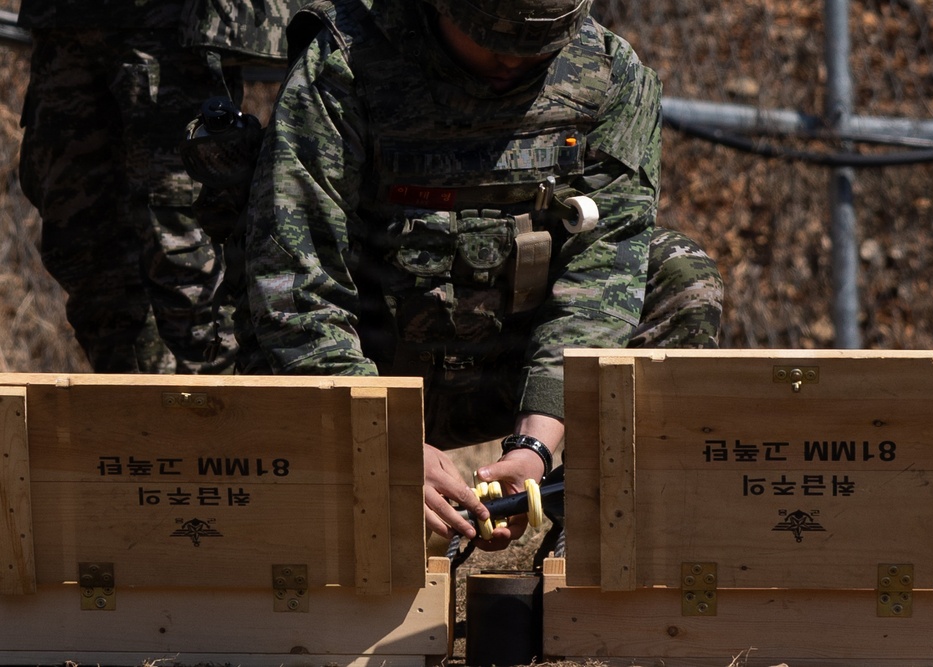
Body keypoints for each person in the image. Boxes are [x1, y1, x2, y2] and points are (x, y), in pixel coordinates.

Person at [239, 0, 724, 548]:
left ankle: (595, 535)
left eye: (537, 46)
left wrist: (535, 446)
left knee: (681, 278)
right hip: (376, 366)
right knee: (232, 319)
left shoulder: (608, 76)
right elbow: (296, 276)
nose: (512, 60)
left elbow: (601, 277)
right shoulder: (346, 63)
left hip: (511, 367)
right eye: (495, 41)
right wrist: (383, 439)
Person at [17, 0, 303, 373]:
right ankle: (132, 416)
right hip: (63, 21)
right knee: (83, 250)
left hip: (168, 30)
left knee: (187, 258)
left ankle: (223, 414)